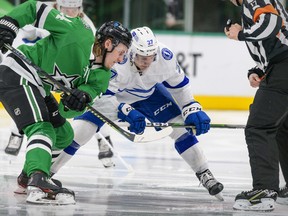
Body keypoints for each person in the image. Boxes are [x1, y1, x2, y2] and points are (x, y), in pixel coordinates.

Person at [50, 26, 224, 200]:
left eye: (151, 56)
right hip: (112, 97)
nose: (147, 61)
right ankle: (46, 174)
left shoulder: (164, 56)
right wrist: (126, 110)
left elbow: (180, 86)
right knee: (81, 131)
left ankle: (204, 173)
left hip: (148, 94)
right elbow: (101, 96)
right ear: (131, 52)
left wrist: (191, 107)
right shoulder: (116, 59)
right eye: (142, 57)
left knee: (181, 129)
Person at [0, 0, 131, 204]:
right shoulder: (78, 32)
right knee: (42, 128)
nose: (121, 60)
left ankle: (27, 177)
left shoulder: (102, 77)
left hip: (38, 85)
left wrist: (76, 101)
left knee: (64, 134)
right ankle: (39, 177)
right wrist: (9, 24)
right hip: (18, 71)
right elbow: (34, 9)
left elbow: (65, 110)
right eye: (121, 53)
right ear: (108, 44)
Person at [225, 0, 288, 211]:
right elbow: (274, 40)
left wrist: (241, 34)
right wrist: (259, 71)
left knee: (259, 128)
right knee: (281, 129)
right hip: (280, 67)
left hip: (284, 69)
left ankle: (264, 191)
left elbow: (272, 22)